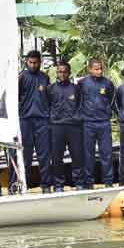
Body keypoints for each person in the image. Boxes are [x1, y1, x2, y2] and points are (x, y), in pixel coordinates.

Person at [77, 58, 115, 189]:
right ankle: (89, 182)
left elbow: (111, 99)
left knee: (106, 153)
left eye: (100, 69)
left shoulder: (108, 83)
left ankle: (108, 181)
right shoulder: (82, 83)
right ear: (90, 69)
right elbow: (78, 100)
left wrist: (107, 111)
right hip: (88, 123)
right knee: (88, 154)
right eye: (96, 69)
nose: (99, 71)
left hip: (104, 123)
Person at [18, 50, 53, 193]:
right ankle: (23, 186)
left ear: (40, 62)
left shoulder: (45, 78)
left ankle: (46, 185)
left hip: (42, 121)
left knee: (44, 155)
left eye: (35, 63)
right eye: (30, 62)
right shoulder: (21, 78)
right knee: (25, 155)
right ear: (26, 62)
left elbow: (49, 98)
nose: (32, 65)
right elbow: (16, 98)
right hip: (25, 121)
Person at [49, 60, 83, 191]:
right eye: (59, 72)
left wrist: (77, 119)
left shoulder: (76, 89)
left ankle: (79, 183)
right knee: (57, 157)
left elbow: (80, 105)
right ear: (57, 73)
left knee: (77, 155)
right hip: (57, 127)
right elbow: (47, 105)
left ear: (69, 73)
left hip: (73, 127)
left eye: (64, 72)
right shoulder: (51, 89)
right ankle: (58, 184)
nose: (62, 74)